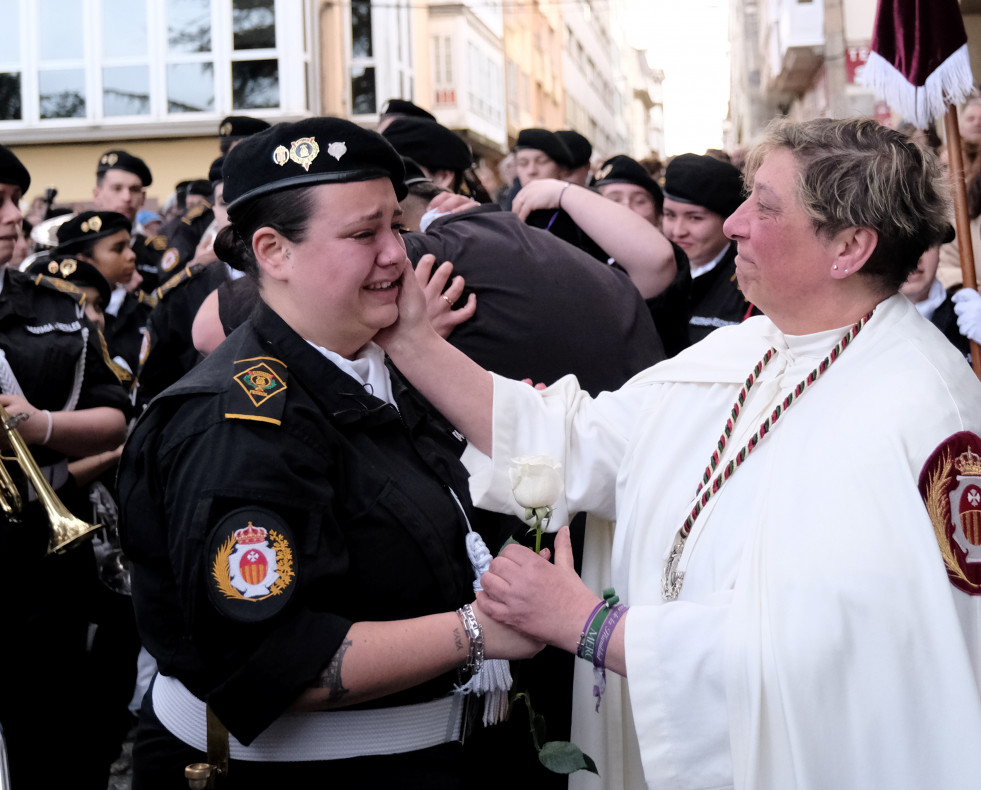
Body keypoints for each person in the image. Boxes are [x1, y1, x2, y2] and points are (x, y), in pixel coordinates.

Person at [378, 117, 981, 790]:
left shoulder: (919, 412)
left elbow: (846, 654)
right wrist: (411, 343)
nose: (733, 225)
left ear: (848, 245)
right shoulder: (746, 350)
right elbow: (576, 443)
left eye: (765, 206)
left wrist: (591, 626)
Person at [116, 117, 540, 789]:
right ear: (273, 251)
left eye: (396, 227)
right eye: (362, 234)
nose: (397, 255)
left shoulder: (383, 364)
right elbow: (267, 660)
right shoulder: (237, 425)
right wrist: (479, 630)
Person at [0, 144, 133, 790]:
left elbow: (115, 417)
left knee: (49, 732)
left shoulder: (56, 307)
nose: (11, 217)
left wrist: (38, 424)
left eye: (13, 200)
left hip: (38, 551)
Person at [593, 154, 692, 356]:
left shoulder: (669, 261)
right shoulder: (579, 257)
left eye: (639, 201)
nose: (626, 209)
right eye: (614, 199)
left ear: (658, 216)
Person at [662, 152, 758, 342]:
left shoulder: (750, 287)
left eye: (695, 218)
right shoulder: (654, 273)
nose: (678, 231)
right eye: (669, 215)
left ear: (727, 220)